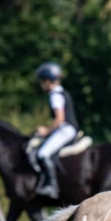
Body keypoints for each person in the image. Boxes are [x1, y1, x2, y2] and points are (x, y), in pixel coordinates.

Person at [34, 62, 79, 199]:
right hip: (69, 128)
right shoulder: (63, 91)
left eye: (43, 81)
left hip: (66, 130)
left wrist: (45, 130)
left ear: (48, 81)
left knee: (42, 153)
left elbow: (59, 118)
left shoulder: (55, 95)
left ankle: (51, 186)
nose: (42, 85)